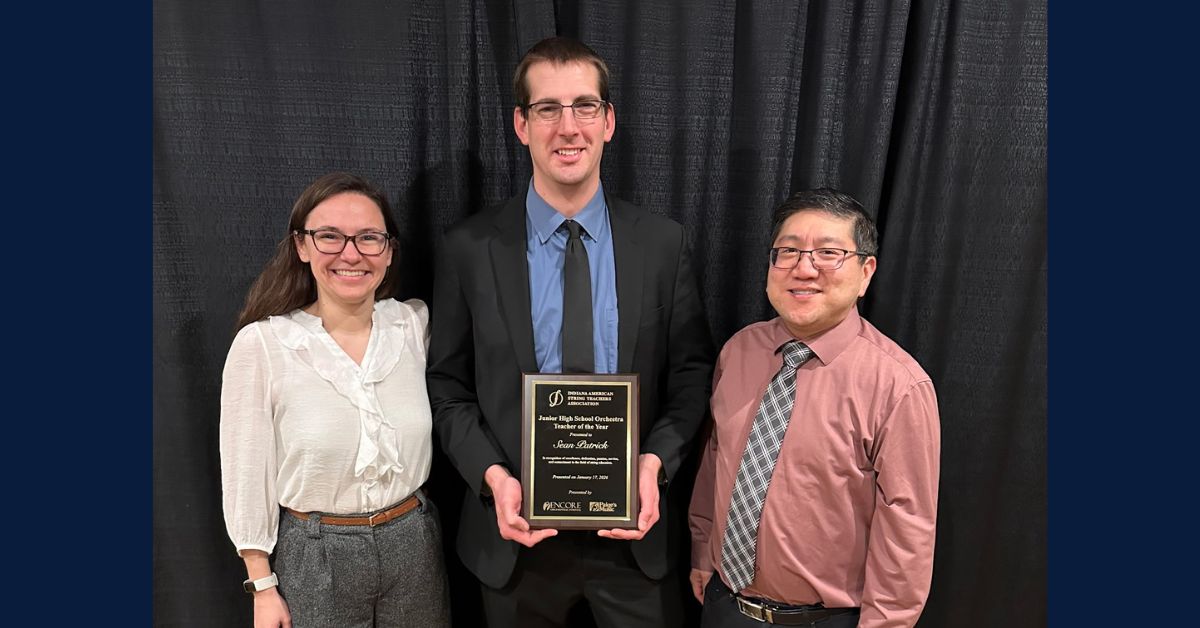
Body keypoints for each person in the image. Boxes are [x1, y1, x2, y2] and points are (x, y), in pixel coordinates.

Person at [426, 36, 715, 628]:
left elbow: (691, 375)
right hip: (514, 539)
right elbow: (448, 387)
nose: (568, 127)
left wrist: (655, 463)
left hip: (636, 539)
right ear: (520, 123)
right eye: (547, 109)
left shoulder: (663, 244)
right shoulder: (468, 249)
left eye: (585, 106)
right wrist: (493, 479)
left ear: (608, 122)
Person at [688, 189, 940, 627]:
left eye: (828, 252)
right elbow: (716, 458)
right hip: (723, 605)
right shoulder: (739, 351)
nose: (804, 268)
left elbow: (908, 525)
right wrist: (701, 549)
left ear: (866, 272)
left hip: (825, 620)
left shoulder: (899, 386)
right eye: (787, 251)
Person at [219, 172, 451, 628]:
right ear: (302, 247)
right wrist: (262, 587)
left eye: (369, 238)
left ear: (389, 251)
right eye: (330, 237)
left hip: (415, 544)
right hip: (316, 554)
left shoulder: (413, 327)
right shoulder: (263, 345)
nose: (351, 253)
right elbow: (246, 473)